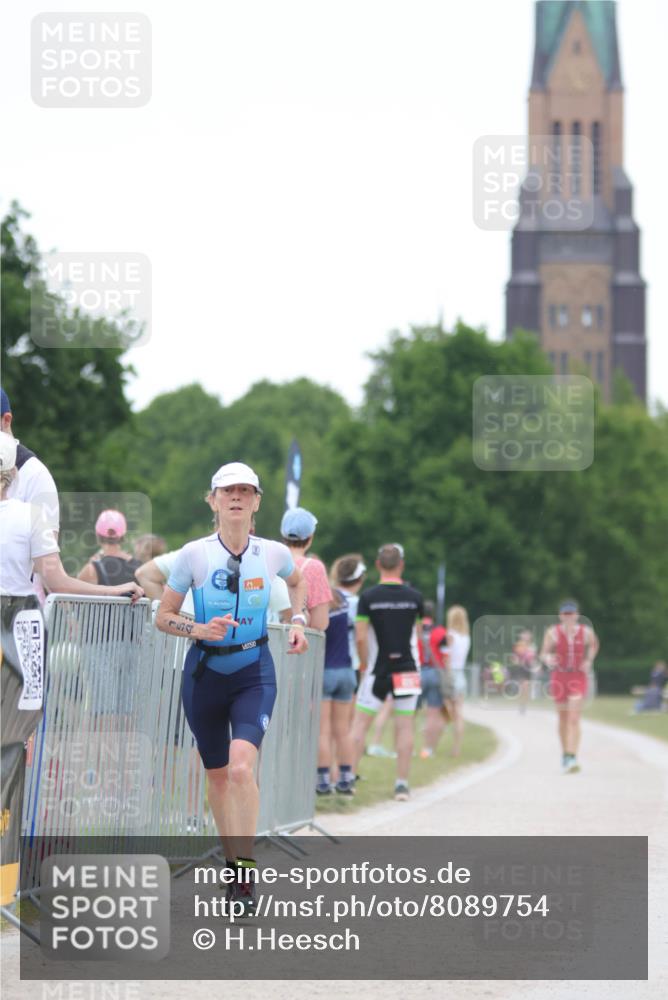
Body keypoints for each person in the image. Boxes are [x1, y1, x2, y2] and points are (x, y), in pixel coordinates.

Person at [155, 462, 308, 916]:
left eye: (245, 491)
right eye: (228, 491)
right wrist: (200, 628)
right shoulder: (194, 555)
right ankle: (233, 863)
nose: (236, 497)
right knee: (218, 775)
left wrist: (296, 619)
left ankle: (245, 869)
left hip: (253, 671)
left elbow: (297, 582)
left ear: (257, 501)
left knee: (243, 769)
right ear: (214, 500)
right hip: (204, 673)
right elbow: (162, 616)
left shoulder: (274, 554)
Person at [0, 432, 144, 906]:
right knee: (16, 747)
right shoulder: (30, 515)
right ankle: (9, 881)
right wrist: (116, 592)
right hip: (20, 627)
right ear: (13, 476)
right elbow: (56, 580)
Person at [351, 543, 424, 801]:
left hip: (376, 669)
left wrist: (362, 663)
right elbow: (417, 636)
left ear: (378, 565)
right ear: (401, 565)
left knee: (360, 725)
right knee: (405, 726)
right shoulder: (415, 598)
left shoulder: (368, 598)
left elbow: (360, 637)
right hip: (407, 668)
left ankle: (349, 781)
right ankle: (402, 785)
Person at [316, 562, 362, 796]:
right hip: (347, 670)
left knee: (323, 731)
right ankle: (346, 778)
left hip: (326, 671)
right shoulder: (343, 601)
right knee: (342, 730)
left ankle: (323, 780)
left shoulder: (319, 605)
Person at [540, 599, 599, 774]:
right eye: (565, 614)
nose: (568, 617)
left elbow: (594, 644)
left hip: (578, 676)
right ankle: (565, 754)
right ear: (560, 616)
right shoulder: (553, 632)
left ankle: (573, 756)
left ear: (577, 615)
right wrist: (548, 658)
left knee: (574, 718)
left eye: (571, 614)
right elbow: (543, 653)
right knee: (563, 718)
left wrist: (589, 660)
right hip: (559, 676)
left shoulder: (586, 632)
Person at [279, 507, 331, 630]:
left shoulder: (269, 559)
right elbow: (320, 623)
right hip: (297, 643)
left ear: (283, 534)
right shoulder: (314, 568)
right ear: (310, 537)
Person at [418, 600, 449, 759]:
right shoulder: (441, 632)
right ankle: (427, 750)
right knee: (432, 713)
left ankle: (402, 748)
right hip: (435, 673)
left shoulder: (414, 629)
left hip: (416, 672)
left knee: (407, 713)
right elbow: (445, 656)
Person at [78, 510, 142, 586]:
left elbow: (72, 594)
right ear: (123, 535)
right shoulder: (141, 568)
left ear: (97, 534)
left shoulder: (91, 570)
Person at [441, 605, 470, 757]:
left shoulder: (450, 635)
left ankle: (440, 734)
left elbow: (447, 657)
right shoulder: (466, 637)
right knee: (458, 713)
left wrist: (445, 673)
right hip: (461, 675)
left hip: (451, 674)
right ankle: (456, 748)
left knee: (447, 710)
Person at [510, 628, 538, 714]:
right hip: (521, 668)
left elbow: (533, 658)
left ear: (530, 637)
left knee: (526, 689)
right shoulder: (518, 645)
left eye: (528, 635)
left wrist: (536, 667)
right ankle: (521, 705)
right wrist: (516, 661)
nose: (526, 637)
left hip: (529, 668)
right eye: (524, 635)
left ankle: (523, 704)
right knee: (523, 686)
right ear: (521, 636)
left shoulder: (533, 646)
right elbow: (514, 657)